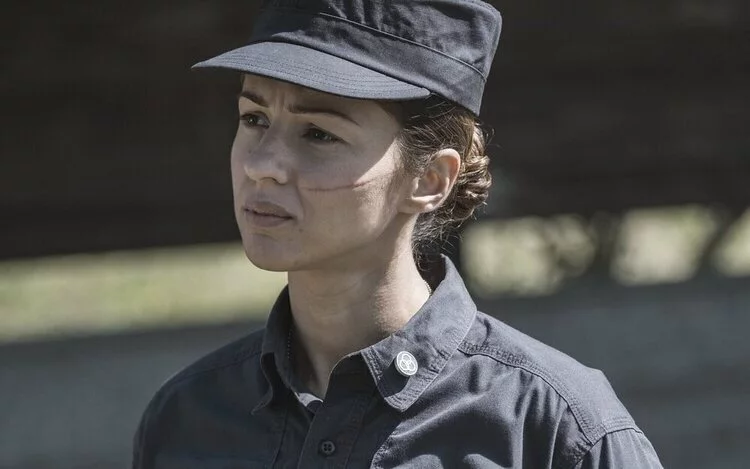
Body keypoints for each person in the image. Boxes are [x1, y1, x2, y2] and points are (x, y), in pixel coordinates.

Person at [131, 1, 664, 467]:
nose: (262, 165)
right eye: (253, 118)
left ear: (430, 179)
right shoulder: (185, 419)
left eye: (319, 133)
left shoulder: (554, 431)